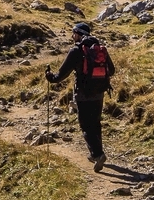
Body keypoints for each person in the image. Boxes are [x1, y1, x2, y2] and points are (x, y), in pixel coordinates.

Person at [45, 22, 115, 171]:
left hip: (83, 94)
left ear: (78, 34)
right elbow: (112, 70)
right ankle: (95, 153)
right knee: (95, 123)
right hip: (100, 93)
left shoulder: (76, 51)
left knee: (85, 125)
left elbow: (61, 75)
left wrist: (50, 77)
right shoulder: (100, 49)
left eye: (73, 33)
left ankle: (98, 154)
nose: (72, 36)